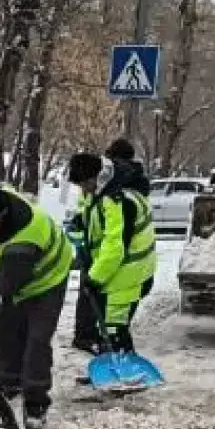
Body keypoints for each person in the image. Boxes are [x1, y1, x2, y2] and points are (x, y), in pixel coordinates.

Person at [0, 181, 73, 429]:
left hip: (48, 280)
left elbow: (9, 281)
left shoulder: (25, 238)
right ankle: (9, 385)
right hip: (15, 276)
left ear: (3, 214)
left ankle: (36, 402)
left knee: (37, 340)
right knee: (10, 333)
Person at [67, 152, 157, 355]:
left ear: (96, 177)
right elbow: (98, 224)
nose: (83, 189)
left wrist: (95, 277)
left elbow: (114, 247)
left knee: (114, 329)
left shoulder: (117, 200)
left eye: (84, 183)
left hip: (127, 275)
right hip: (117, 273)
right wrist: (81, 222)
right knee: (108, 329)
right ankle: (113, 368)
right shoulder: (103, 192)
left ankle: (124, 373)